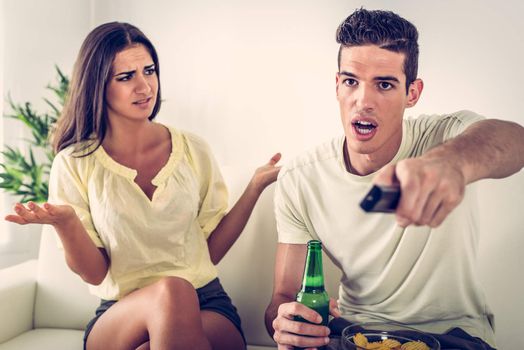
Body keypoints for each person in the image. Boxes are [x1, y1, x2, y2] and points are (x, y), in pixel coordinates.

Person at [4, 22, 281, 350]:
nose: (144, 86)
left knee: (172, 305)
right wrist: (66, 222)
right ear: (97, 86)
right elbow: (94, 274)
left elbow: (209, 252)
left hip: (206, 303)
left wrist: (253, 188)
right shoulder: (74, 162)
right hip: (122, 312)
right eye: (126, 77)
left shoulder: (194, 150)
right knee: (171, 290)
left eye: (149, 71)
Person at [264, 8, 524, 350]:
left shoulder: (445, 135)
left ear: (412, 93)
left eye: (384, 84)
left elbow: (513, 140)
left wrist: (451, 162)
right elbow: (281, 298)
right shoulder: (301, 179)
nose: (363, 101)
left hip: (452, 337)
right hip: (353, 332)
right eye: (351, 81)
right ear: (337, 85)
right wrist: (286, 323)